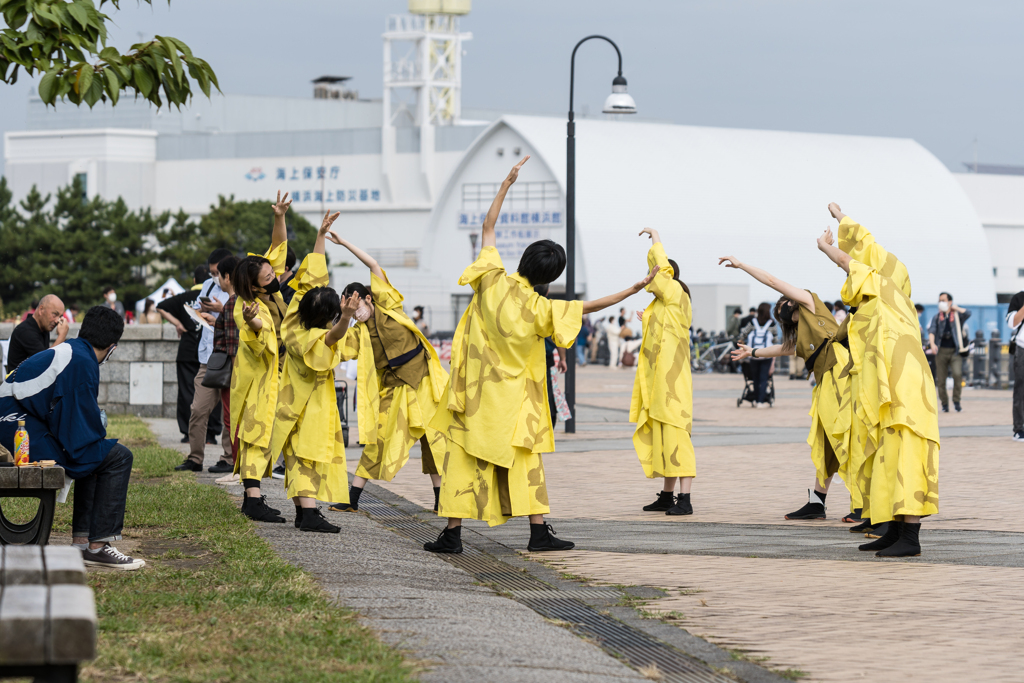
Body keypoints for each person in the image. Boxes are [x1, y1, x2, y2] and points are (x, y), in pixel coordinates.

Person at [423, 156, 658, 554]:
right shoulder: (541, 308)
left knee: (462, 461)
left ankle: (452, 534)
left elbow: (488, 226)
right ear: (551, 277)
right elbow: (588, 307)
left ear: (524, 259)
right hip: (516, 404)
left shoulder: (491, 279)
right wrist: (633, 289)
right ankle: (537, 532)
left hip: (474, 397)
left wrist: (507, 183)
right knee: (526, 463)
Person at [823, 203, 939, 557]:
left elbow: (855, 257)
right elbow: (865, 250)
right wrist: (841, 219)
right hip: (894, 396)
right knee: (889, 459)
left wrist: (828, 245)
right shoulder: (881, 304)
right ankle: (894, 530)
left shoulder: (888, 292)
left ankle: (910, 537)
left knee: (906, 459)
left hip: (907, 398)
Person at [0, 306, 145, 570]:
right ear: (112, 348)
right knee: (117, 457)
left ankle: (82, 543)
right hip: (16, 430)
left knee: (96, 453)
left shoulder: (72, 350)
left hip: (11, 423)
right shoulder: (83, 363)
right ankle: (98, 546)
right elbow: (79, 429)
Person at [721, 250, 853, 522]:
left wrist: (742, 264)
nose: (783, 302)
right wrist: (752, 352)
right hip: (825, 380)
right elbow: (785, 348)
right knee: (826, 440)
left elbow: (771, 280)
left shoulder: (809, 302)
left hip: (838, 371)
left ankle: (865, 505)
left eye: (785, 300)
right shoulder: (801, 332)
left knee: (848, 435)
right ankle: (817, 503)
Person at [328, 230, 450, 514]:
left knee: (434, 441)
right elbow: (333, 343)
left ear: (368, 298)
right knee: (377, 441)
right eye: (348, 306)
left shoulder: (389, 306)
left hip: (425, 383)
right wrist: (344, 317)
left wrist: (343, 243)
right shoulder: (357, 333)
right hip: (394, 391)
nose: (355, 310)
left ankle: (441, 501)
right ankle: (352, 500)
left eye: (356, 304)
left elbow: (373, 265)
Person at [270, 212, 350, 533]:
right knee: (307, 458)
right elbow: (333, 337)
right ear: (328, 316)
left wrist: (321, 236)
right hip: (309, 408)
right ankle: (310, 514)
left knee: (294, 457)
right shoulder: (315, 338)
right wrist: (346, 317)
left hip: (289, 405)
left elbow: (312, 281)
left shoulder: (293, 322)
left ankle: (302, 513)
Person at [231, 191, 292, 523]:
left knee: (267, 437)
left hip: (279, 377)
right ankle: (252, 500)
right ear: (255, 287)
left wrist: (279, 216)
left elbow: (278, 248)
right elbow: (256, 331)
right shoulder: (246, 307)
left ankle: (254, 499)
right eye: (269, 279)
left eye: (273, 274)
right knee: (255, 436)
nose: (275, 278)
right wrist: (253, 320)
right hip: (260, 382)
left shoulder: (266, 280)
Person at [633, 228, 697, 516]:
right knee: (665, 438)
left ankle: (685, 499)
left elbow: (661, 270)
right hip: (661, 383)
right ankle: (667, 496)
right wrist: (647, 319)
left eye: (654, 272)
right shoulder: (664, 302)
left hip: (673, 386)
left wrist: (655, 237)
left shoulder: (674, 292)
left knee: (677, 437)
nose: (650, 277)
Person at [174, 248, 234, 472]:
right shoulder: (208, 286)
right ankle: (195, 458)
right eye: (212, 273)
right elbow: (200, 308)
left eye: (218, 273)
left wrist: (220, 310)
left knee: (230, 412)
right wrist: (198, 312)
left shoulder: (241, 288)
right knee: (198, 409)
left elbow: (241, 319)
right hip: (208, 357)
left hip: (230, 357)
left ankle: (229, 458)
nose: (214, 277)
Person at [157, 266, 220, 444]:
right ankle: (210, 434)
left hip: (187, 350)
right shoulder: (214, 296)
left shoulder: (184, 297)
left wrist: (178, 323)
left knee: (187, 392)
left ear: (194, 280)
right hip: (209, 351)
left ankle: (188, 432)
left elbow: (160, 306)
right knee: (212, 392)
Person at [207, 255, 240, 475]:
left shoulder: (232, 304)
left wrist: (236, 380)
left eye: (218, 275)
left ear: (227, 277)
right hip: (241, 372)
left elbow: (233, 346)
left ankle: (238, 470)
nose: (217, 279)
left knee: (232, 420)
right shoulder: (243, 301)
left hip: (232, 374)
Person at [928, 292, 971, 413]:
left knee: (957, 374)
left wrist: (955, 308)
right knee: (941, 379)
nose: (941, 303)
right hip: (941, 351)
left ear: (950, 302)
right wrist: (932, 344)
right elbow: (932, 331)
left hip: (955, 351)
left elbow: (968, 313)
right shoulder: (937, 317)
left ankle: (956, 401)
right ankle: (944, 404)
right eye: (940, 301)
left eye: (944, 300)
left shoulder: (957, 316)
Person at [6, 294, 69, 374]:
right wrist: (62, 336)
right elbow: (46, 363)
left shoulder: (42, 328)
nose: (57, 321)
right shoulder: (25, 331)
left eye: (60, 317)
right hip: (19, 381)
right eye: (54, 314)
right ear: (41, 310)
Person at [738, 303, 777, 407]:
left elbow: (742, 335)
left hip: (753, 354)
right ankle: (760, 401)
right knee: (764, 379)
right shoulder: (772, 323)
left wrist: (743, 345)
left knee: (755, 378)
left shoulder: (753, 322)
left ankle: (755, 400)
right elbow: (775, 339)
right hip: (767, 355)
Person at [1006, 291, 1024, 441]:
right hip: (1023, 348)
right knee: (1021, 389)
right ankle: (1019, 428)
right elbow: (1012, 323)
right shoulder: (1019, 298)